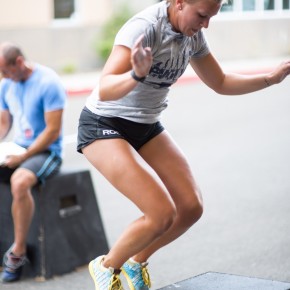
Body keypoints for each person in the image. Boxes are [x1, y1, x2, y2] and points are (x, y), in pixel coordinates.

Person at [77, 0, 290, 289]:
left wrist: (270, 79)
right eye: (202, 15)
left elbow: (221, 81)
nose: (205, 25)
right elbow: (106, 87)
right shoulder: (145, 28)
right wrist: (136, 74)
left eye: (211, 17)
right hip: (104, 124)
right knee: (161, 213)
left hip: (146, 125)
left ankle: (135, 261)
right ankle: (106, 266)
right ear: (179, 3)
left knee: (190, 207)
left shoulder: (194, 36)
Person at [0, 42, 66, 283]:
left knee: (20, 181)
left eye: (5, 71)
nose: (3, 77)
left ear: (19, 62)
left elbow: (52, 131)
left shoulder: (48, 82)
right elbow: (3, 123)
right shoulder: (7, 84)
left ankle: (18, 253)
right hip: (18, 148)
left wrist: (23, 157)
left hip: (47, 152)